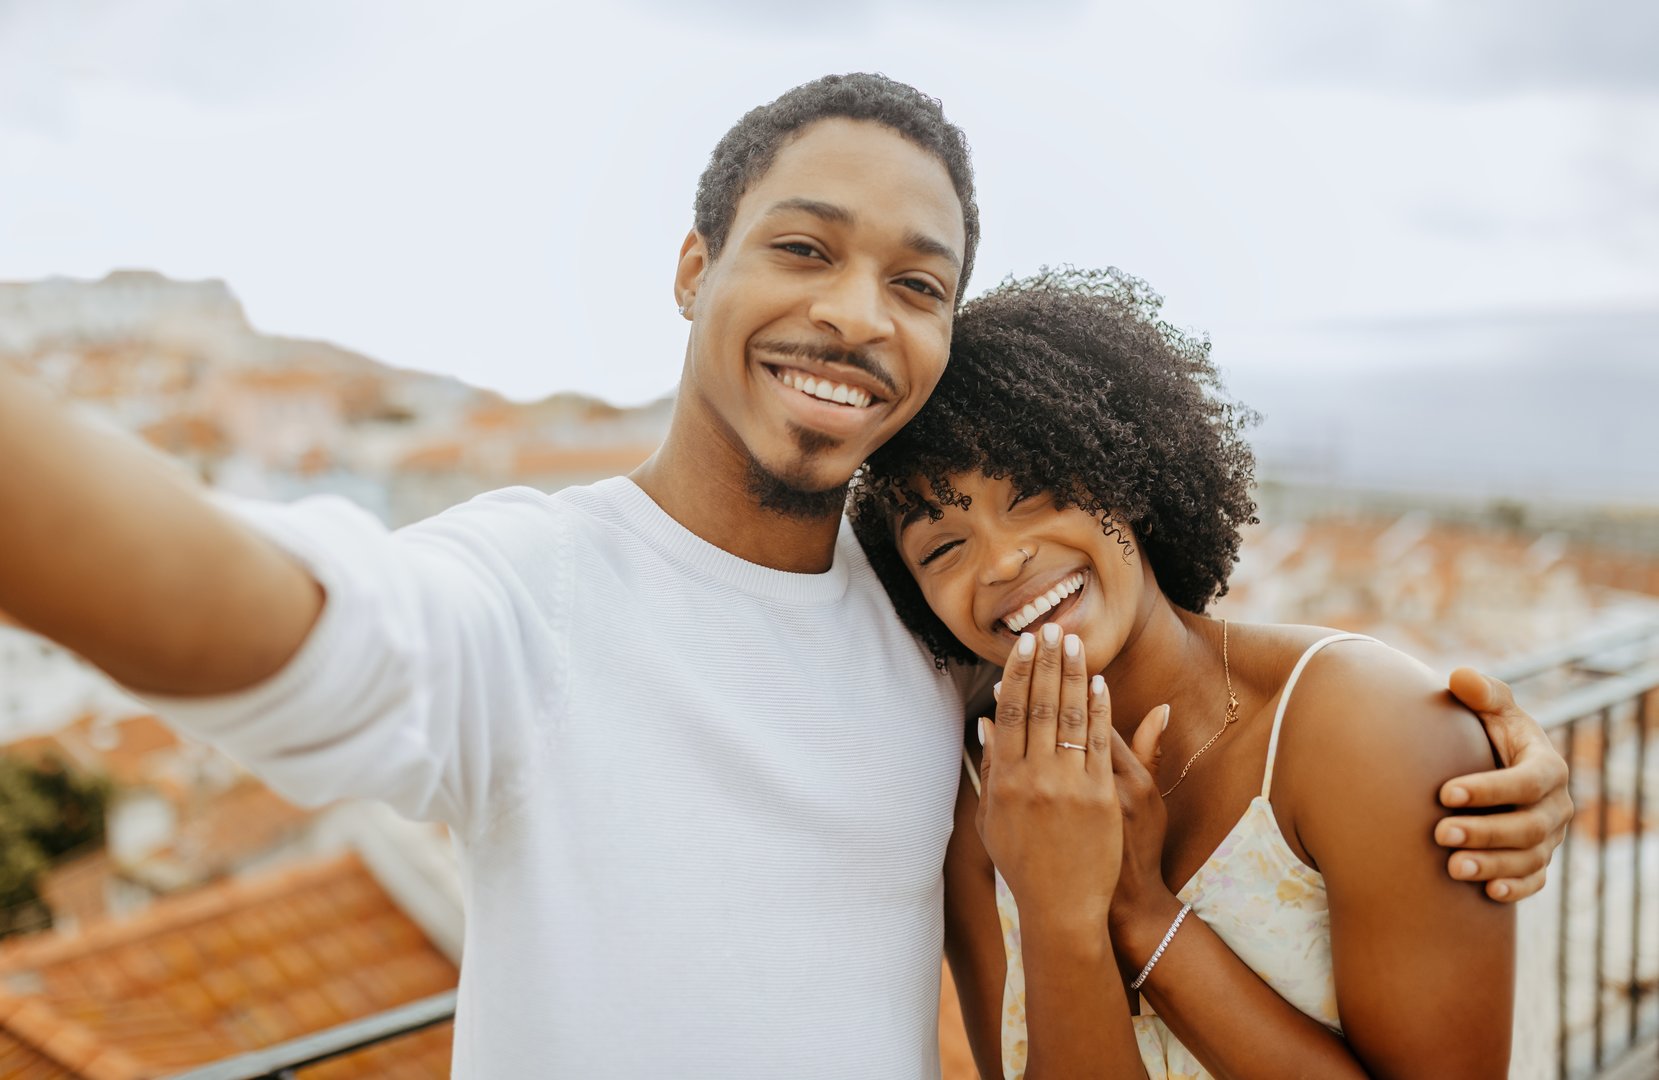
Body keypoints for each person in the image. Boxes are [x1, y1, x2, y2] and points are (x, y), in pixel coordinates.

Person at [0, 79, 1564, 1078]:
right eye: (801, 248)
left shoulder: (941, 660)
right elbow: (284, 620)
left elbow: (1171, 636)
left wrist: (1448, 721)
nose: (856, 316)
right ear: (695, 269)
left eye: (916, 282)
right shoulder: (523, 592)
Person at [850, 267, 1525, 1078]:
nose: (1002, 561)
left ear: (1125, 470)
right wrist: (1061, 911)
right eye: (942, 548)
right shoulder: (973, 791)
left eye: (1029, 492)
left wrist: (1138, 912)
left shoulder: (1365, 726)